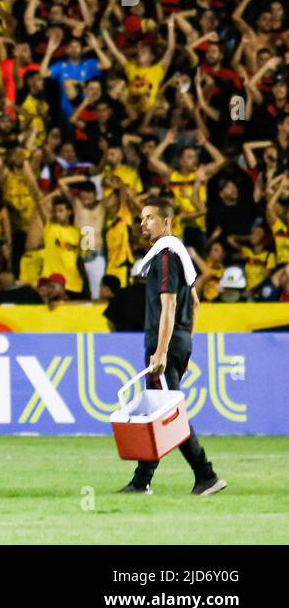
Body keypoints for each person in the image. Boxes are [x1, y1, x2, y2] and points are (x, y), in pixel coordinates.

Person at [119, 199, 225, 496]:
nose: (143, 223)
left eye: (150, 218)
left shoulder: (165, 255)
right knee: (158, 411)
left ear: (166, 222)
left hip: (163, 344)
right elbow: (195, 301)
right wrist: (184, 341)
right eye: (142, 218)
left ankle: (206, 475)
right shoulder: (180, 256)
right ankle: (142, 480)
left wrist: (163, 349)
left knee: (169, 415)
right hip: (178, 340)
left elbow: (170, 303)